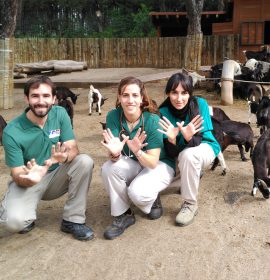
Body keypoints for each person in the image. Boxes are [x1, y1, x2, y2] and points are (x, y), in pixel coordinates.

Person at [0, 76, 94, 241]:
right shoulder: (12, 131)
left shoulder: (60, 113)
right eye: (35, 96)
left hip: (56, 175)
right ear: (26, 98)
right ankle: (15, 210)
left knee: (84, 161)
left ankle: (73, 219)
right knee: (14, 223)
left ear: (54, 98)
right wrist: (30, 178)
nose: (40, 101)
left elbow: (73, 148)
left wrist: (65, 157)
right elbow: (17, 173)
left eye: (45, 96)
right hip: (28, 179)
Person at [101, 76, 175, 240]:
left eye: (135, 95)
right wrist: (114, 154)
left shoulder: (152, 120)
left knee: (138, 193)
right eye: (125, 95)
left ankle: (152, 194)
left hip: (158, 165)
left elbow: (153, 162)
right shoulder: (113, 116)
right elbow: (115, 153)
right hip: (134, 163)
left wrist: (138, 152)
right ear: (119, 98)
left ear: (142, 98)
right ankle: (123, 213)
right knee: (108, 168)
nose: (130, 100)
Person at [158, 72, 221, 226]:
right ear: (168, 93)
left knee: (188, 155)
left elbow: (199, 139)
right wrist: (172, 140)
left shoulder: (200, 104)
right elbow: (170, 153)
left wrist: (188, 138)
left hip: (205, 146)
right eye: (174, 92)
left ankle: (190, 204)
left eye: (184, 93)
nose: (179, 99)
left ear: (190, 93)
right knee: (159, 181)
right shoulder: (163, 112)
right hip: (178, 152)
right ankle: (191, 176)